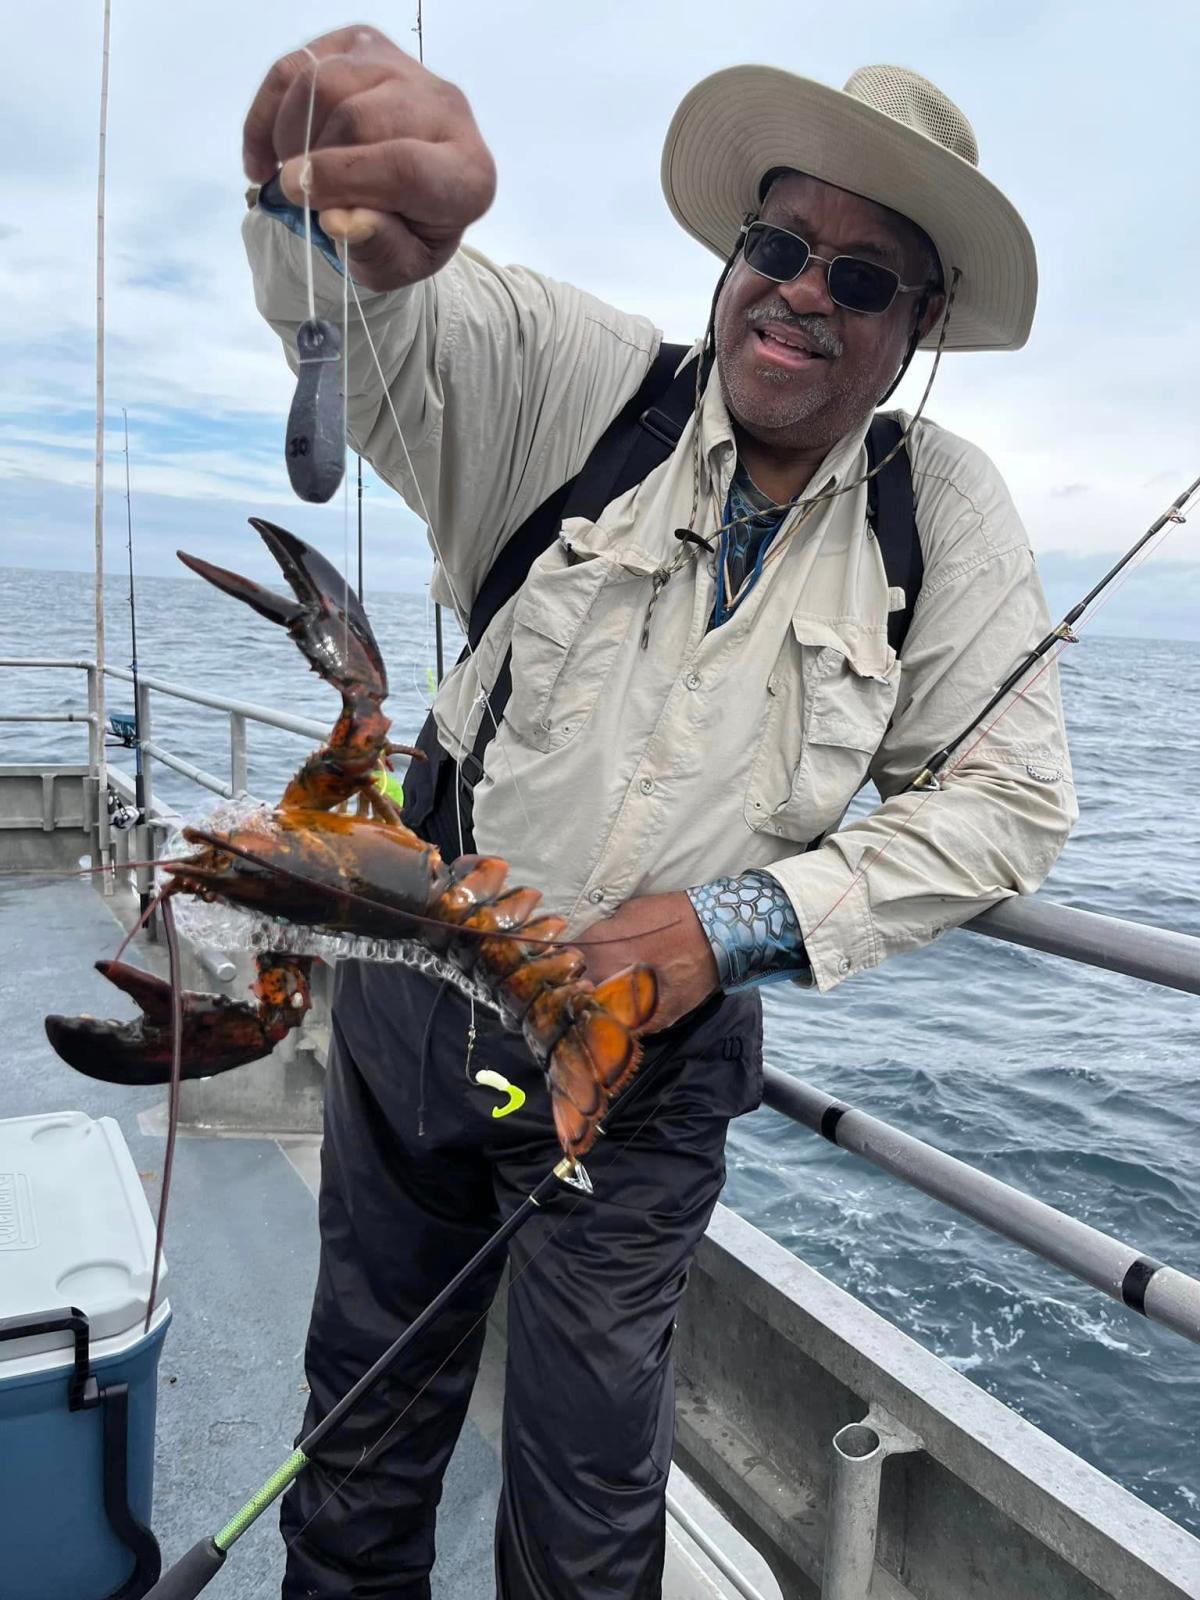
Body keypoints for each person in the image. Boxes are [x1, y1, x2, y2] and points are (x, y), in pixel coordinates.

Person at [241, 27, 1075, 1598]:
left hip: (648, 1068)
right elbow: (402, 325)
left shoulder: (939, 514)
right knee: (360, 1427)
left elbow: (1014, 799)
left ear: (925, 324)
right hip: (423, 995)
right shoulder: (587, 385)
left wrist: (731, 927)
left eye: (865, 276)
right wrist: (342, 210)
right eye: (780, 244)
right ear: (732, 255)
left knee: (590, 1498)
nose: (805, 291)